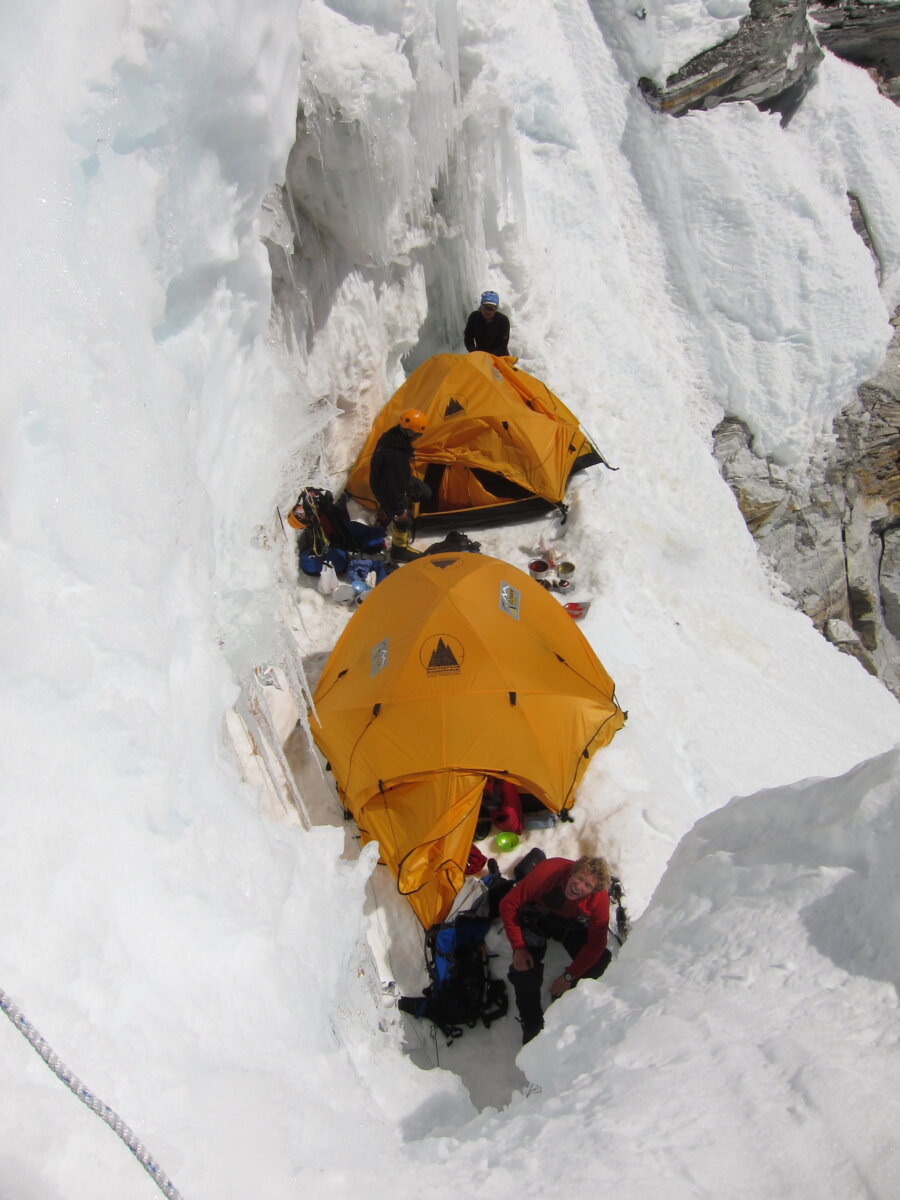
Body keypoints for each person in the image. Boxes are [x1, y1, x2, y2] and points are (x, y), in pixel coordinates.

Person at [500, 853, 612, 1043]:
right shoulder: (547, 873)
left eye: (587, 885)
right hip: (538, 916)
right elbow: (508, 904)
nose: (579, 886)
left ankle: (563, 1001)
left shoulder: (599, 899)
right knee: (524, 972)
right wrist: (519, 947)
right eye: (579, 878)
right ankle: (532, 1027)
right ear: (571, 873)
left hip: (568, 924)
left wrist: (571, 976)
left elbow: (596, 944)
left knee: (601, 960)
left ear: (594, 890)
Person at [369, 408, 432, 559]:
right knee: (404, 518)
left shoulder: (393, 436)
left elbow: (394, 476)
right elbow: (392, 486)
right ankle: (399, 550)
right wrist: (399, 511)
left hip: (387, 477)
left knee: (425, 492)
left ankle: (389, 513)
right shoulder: (396, 456)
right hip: (385, 487)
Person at [464, 291, 511, 356]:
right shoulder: (474, 318)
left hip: (500, 358)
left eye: (491, 309)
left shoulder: (503, 321)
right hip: (480, 356)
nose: (488, 312)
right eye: (485, 307)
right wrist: (474, 352)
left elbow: (503, 344)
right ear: (481, 306)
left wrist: (490, 357)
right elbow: (468, 338)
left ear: (496, 308)